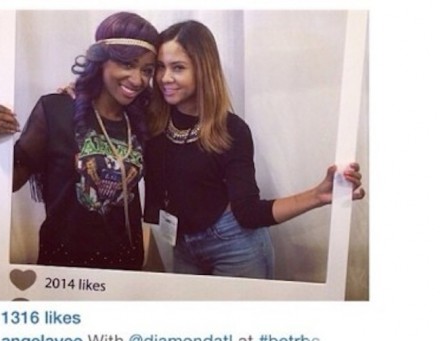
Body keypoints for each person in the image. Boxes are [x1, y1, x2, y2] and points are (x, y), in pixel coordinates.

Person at [143, 20, 365, 278]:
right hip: (182, 246)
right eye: (160, 67)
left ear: (203, 69)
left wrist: (317, 195)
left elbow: (249, 212)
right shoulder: (153, 122)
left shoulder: (232, 130)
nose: (165, 78)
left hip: (233, 246)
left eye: (178, 67)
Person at [0, 12, 159, 269]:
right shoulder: (56, 110)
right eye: (128, 64)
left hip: (124, 263)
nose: (138, 79)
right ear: (101, 60)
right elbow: (13, 181)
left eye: (147, 70)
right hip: (63, 264)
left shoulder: (143, 119)